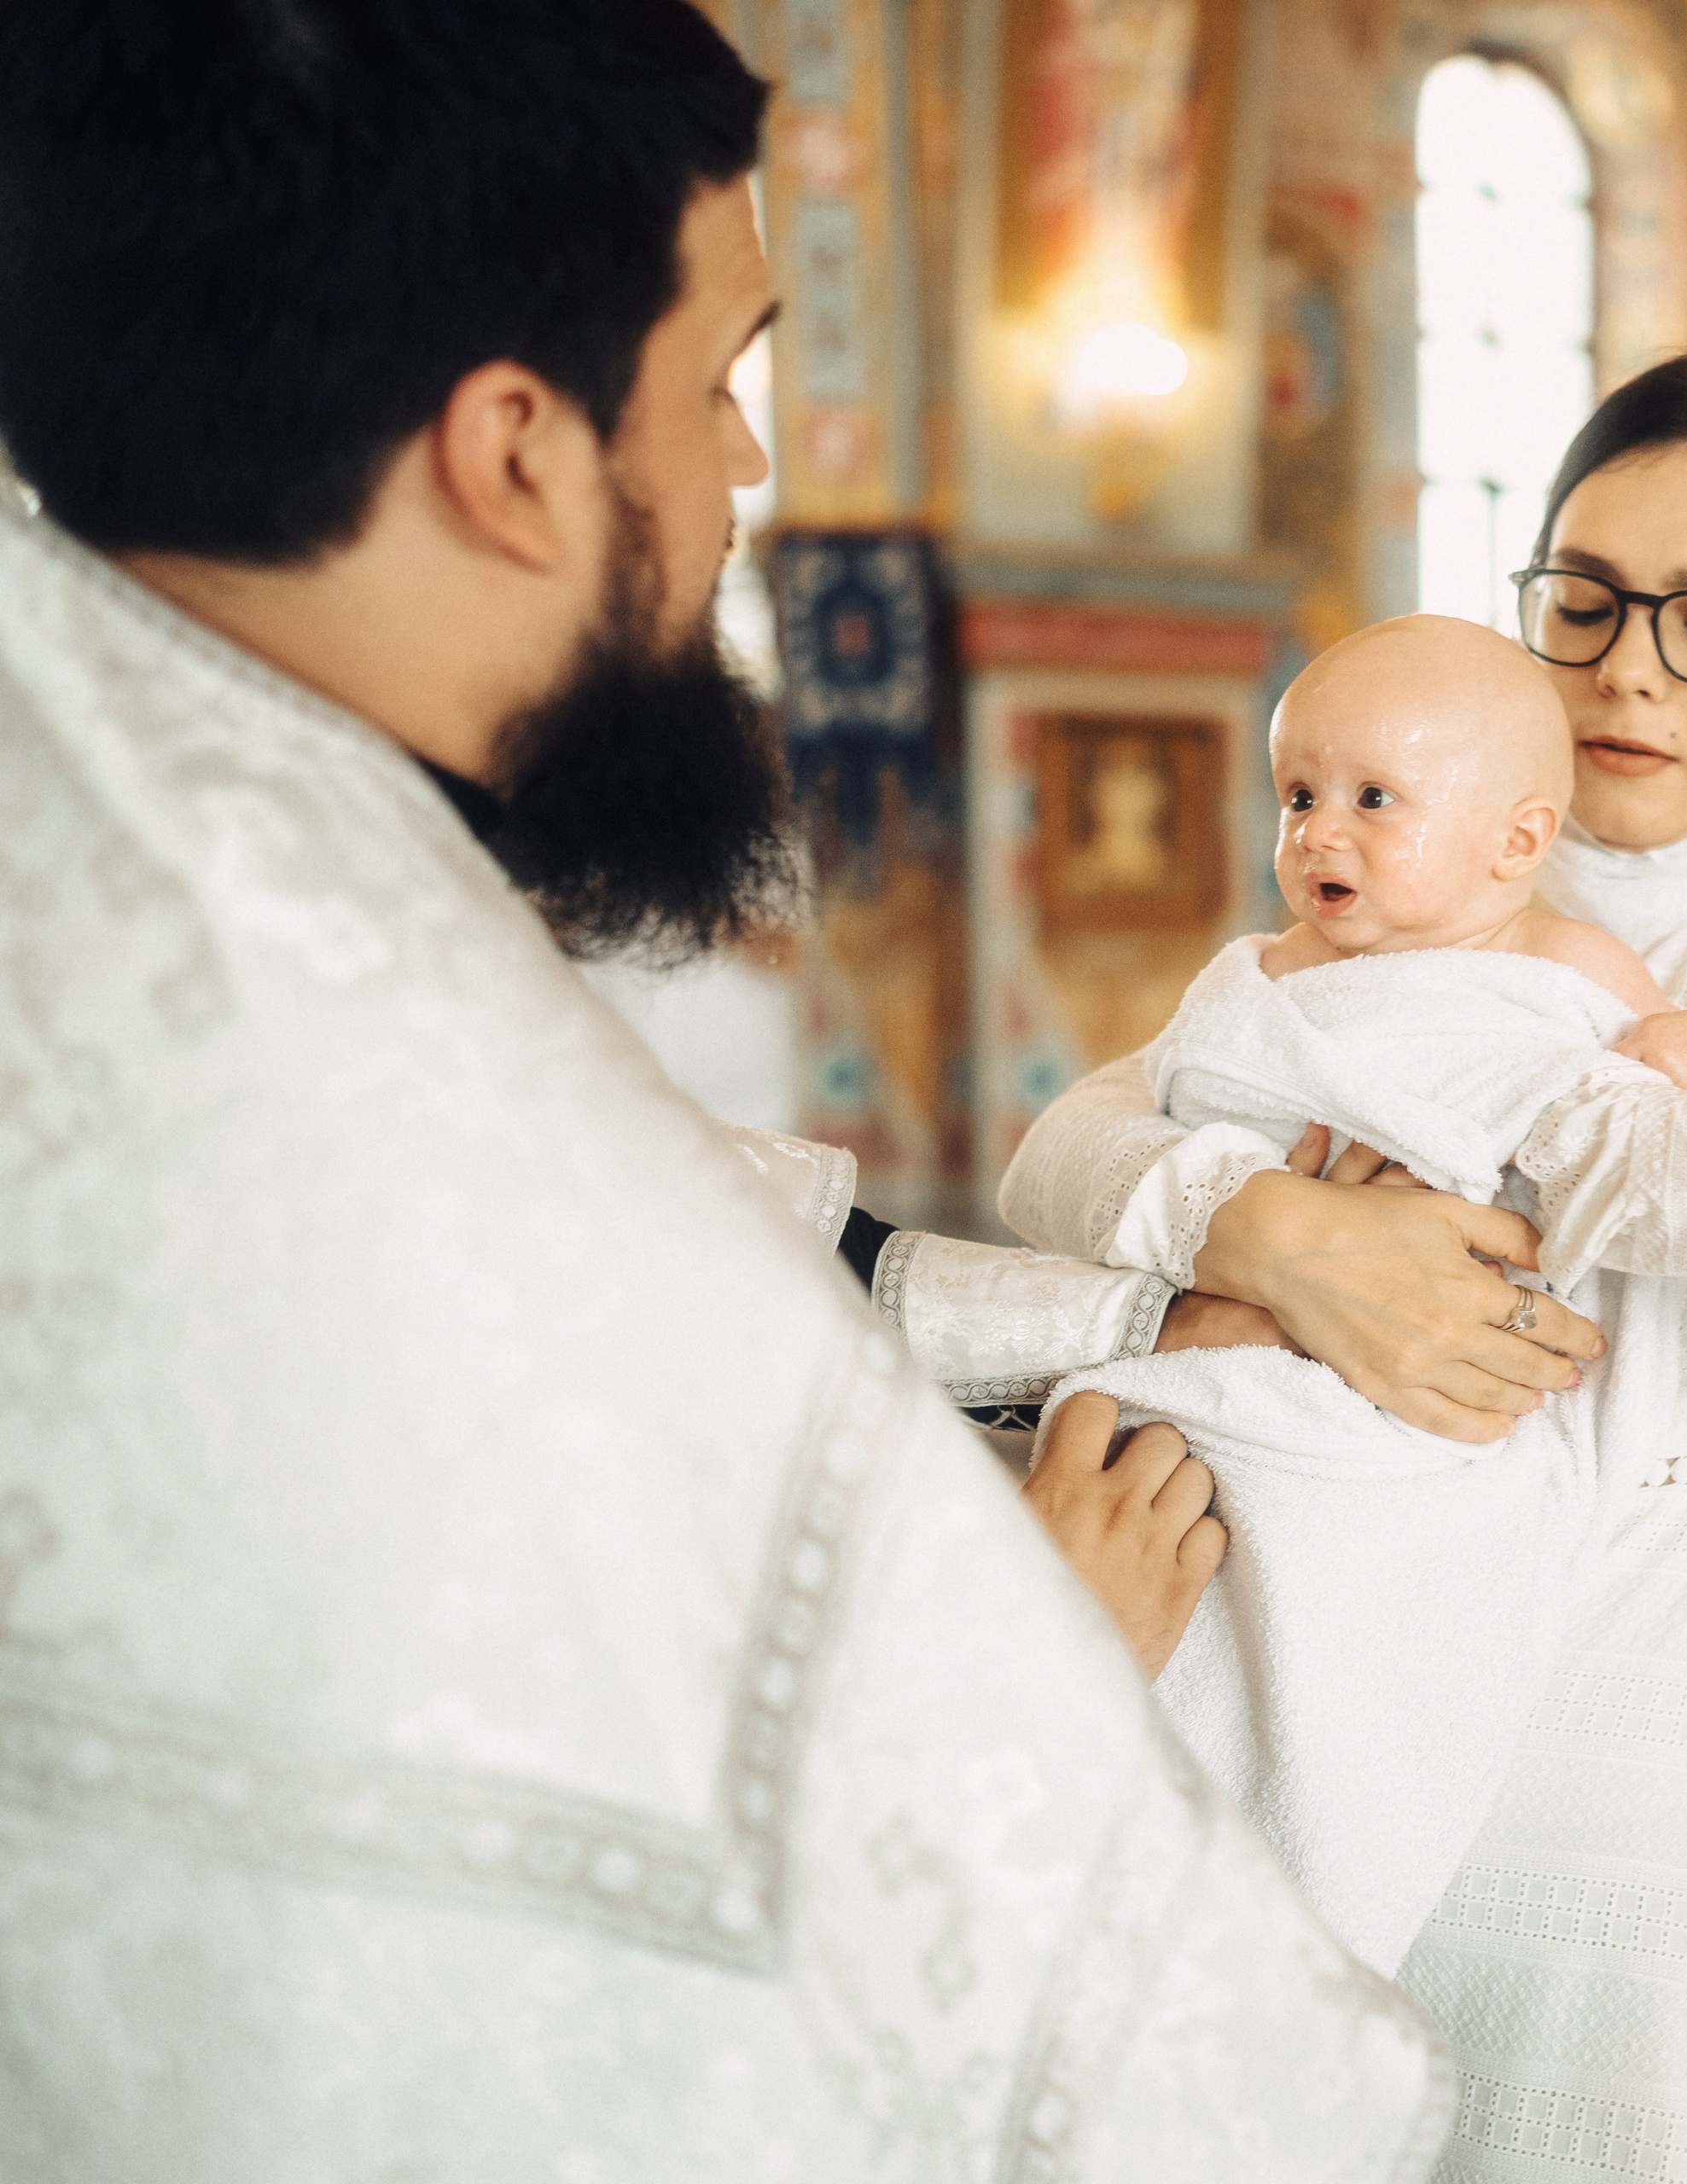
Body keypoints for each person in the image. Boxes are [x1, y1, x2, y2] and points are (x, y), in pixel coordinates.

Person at [0, 3, 1457, 2175]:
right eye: (717, 383)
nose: (748, 473)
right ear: (515, 450)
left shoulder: (130, 796)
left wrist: (1162, 1308)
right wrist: (1026, 1671)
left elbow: (744, 1226)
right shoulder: (439, 1118)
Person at [1001, 353, 1687, 2176]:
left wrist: (1572, 1123)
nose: (1625, 669)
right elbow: (1067, 1151)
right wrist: (1282, 1231)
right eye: (1580, 602)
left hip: (1628, 1896)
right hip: (1300, 1785)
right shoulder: (1399, 891)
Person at [1035, 613, 1687, 1980]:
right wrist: (1259, 1209)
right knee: (1140, 1510)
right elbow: (1164, 1109)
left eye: (1375, 799)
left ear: (1516, 841)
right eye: (1298, 796)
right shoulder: (1263, 982)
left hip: (1409, 1428)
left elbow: (1667, 1109)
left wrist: (1679, 1052)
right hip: (1225, 1370)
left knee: (1347, 1629)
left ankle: (1289, 1901)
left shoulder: (1571, 972)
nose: (1319, 833)